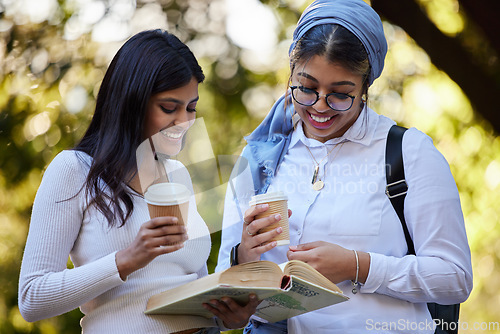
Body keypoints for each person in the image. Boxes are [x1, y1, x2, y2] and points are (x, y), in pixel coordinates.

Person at [216, 0, 473, 333]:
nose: (320, 106)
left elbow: (455, 277)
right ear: (291, 73)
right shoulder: (259, 159)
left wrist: (358, 266)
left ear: (366, 85)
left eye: (340, 94)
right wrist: (245, 262)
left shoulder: (408, 153)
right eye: (306, 88)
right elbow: (226, 301)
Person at [18, 29, 259, 334]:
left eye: (191, 107)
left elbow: (193, 288)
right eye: (169, 108)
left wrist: (228, 318)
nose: (184, 122)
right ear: (131, 103)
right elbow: (32, 298)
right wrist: (128, 259)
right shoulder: (74, 170)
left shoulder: (176, 174)